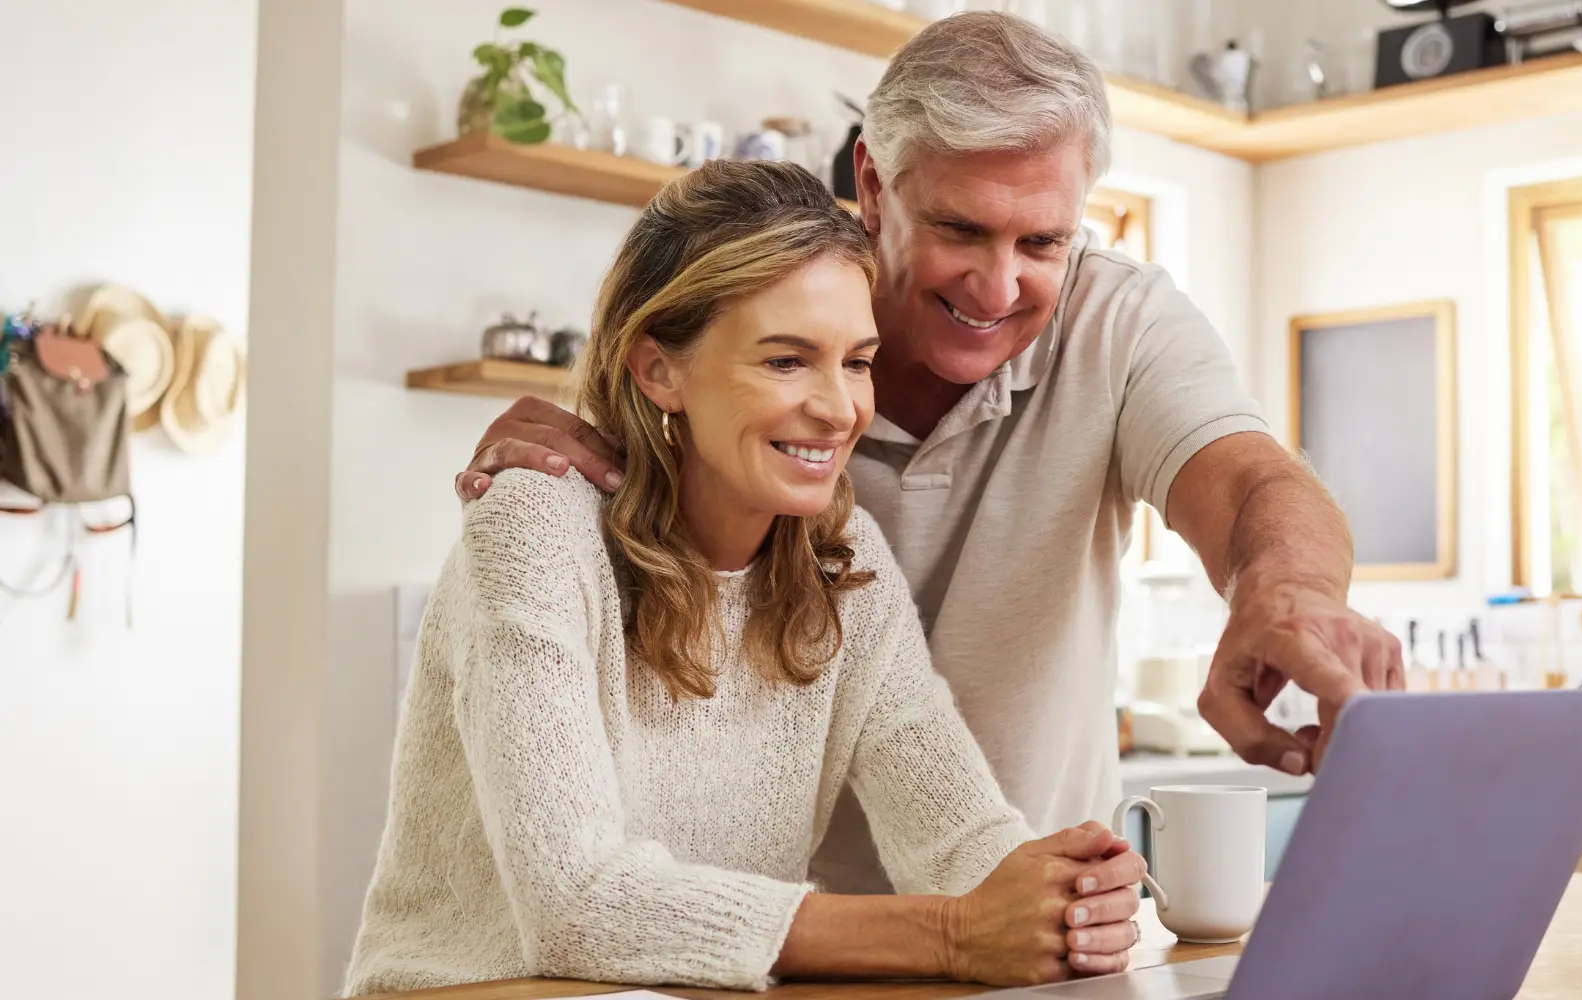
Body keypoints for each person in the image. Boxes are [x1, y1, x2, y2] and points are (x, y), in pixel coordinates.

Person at [454, 12, 1405, 895]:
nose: (999, 286)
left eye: (1044, 240)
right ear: (872, 184)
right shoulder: (750, 346)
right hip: (761, 942)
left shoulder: (1119, 324)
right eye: (960, 228)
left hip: (1006, 921)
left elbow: (1250, 485)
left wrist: (1286, 594)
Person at [344, 161, 1146, 996]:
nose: (839, 409)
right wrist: (952, 934)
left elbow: (960, 842)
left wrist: (1062, 895)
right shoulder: (537, 526)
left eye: (857, 362)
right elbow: (578, 903)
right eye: (787, 361)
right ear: (658, 370)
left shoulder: (845, 563)